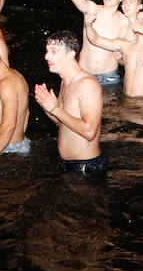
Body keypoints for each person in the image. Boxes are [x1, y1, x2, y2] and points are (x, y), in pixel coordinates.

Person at [33, 29, 106, 175]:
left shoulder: (87, 84)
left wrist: (55, 108)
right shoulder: (64, 82)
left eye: (54, 51)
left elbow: (89, 131)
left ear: (71, 54)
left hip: (87, 167)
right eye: (47, 51)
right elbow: (62, 122)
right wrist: (47, 106)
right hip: (68, 164)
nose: (46, 56)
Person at [60, 0, 128, 84]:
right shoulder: (92, 9)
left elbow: (126, 59)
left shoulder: (125, 22)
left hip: (109, 77)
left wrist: (121, 58)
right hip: (84, 73)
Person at [84, 3, 143, 97]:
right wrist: (88, 25)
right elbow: (95, 40)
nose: (138, 23)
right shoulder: (126, 46)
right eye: (137, 20)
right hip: (126, 100)